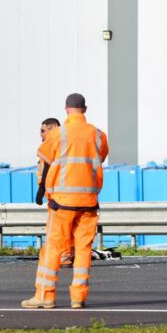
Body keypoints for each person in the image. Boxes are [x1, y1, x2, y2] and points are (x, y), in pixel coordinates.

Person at [22, 93, 109, 309]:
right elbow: (100, 158)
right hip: (89, 202)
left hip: (61, 203)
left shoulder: (57, 134)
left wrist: (41, 190)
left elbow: (45, 161)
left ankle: (45, 295)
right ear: (85, 109)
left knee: (53, 248)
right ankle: (78, 297)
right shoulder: (99, 135)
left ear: (66, 109)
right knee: (82, 250)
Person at [36, 118, 74, 267]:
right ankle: (72, 254)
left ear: (54, 128)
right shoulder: (65, 143)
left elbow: (47, 168)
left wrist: (41, 189)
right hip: (62, 192)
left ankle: (63, 257)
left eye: (43, 130)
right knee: (69, 227)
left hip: (57, 193)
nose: (40, 134)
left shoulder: (53, 144)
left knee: (58, 229)